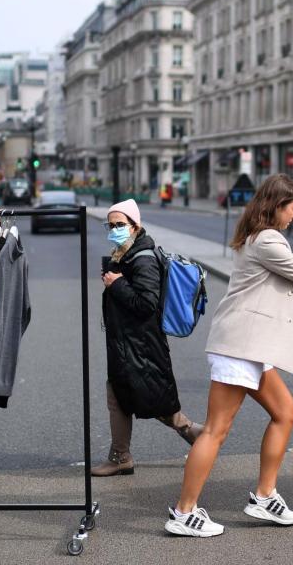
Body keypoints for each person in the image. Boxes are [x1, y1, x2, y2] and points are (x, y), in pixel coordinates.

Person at [164, 174, 293, 537]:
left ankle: (263, 496)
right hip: (240, 347)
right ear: (276, 206)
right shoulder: (267, 239)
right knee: (215, 431)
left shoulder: (260, 236)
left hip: (251, 348)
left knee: (285, 412)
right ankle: (183, 512)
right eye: (292, 209)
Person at [92, 199, 202, 476]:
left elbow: (146, 303)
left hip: (140, 344)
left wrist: (116, 284)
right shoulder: (125, 254)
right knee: (125, 395)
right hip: (128, 342)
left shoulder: (143, 258)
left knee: (142, 396)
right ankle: (124, 454)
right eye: (111, 224)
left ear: (135, 226)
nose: (114, 229)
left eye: (120, 225)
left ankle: (194, 435)